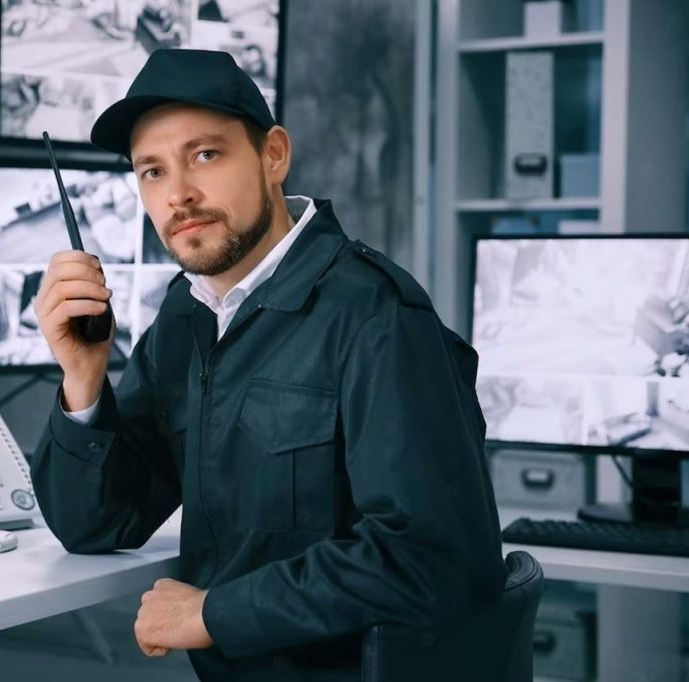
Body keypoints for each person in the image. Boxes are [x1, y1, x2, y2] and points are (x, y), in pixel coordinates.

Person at [32, 48, 505, 681]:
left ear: (273, 155)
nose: (178, 194)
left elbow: (433, 558)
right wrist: (84, 378)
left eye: (205, 155)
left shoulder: (377, 318)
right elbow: (100, 523)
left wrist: (215, 612)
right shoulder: (189, 314)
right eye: (151, 171)